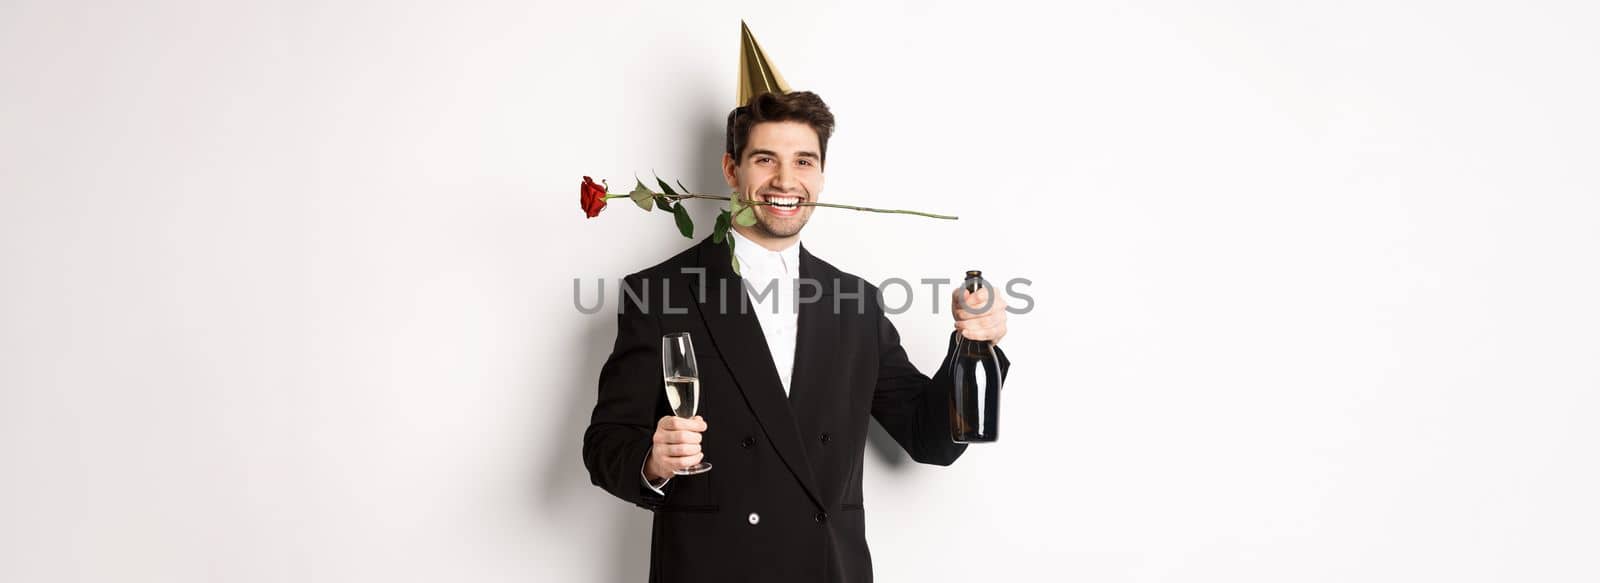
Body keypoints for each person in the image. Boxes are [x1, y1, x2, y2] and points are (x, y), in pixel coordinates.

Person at [581, 89, 1012, 582]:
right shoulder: (658, 292)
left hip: (827, 569)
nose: (786, 181)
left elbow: (930, 438)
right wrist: (652, 461)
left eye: (803, 161)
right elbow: (605, 443)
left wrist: (975, 346)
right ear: (731, 169)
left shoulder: (857, 303)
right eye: (765, 159)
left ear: (822, 175)